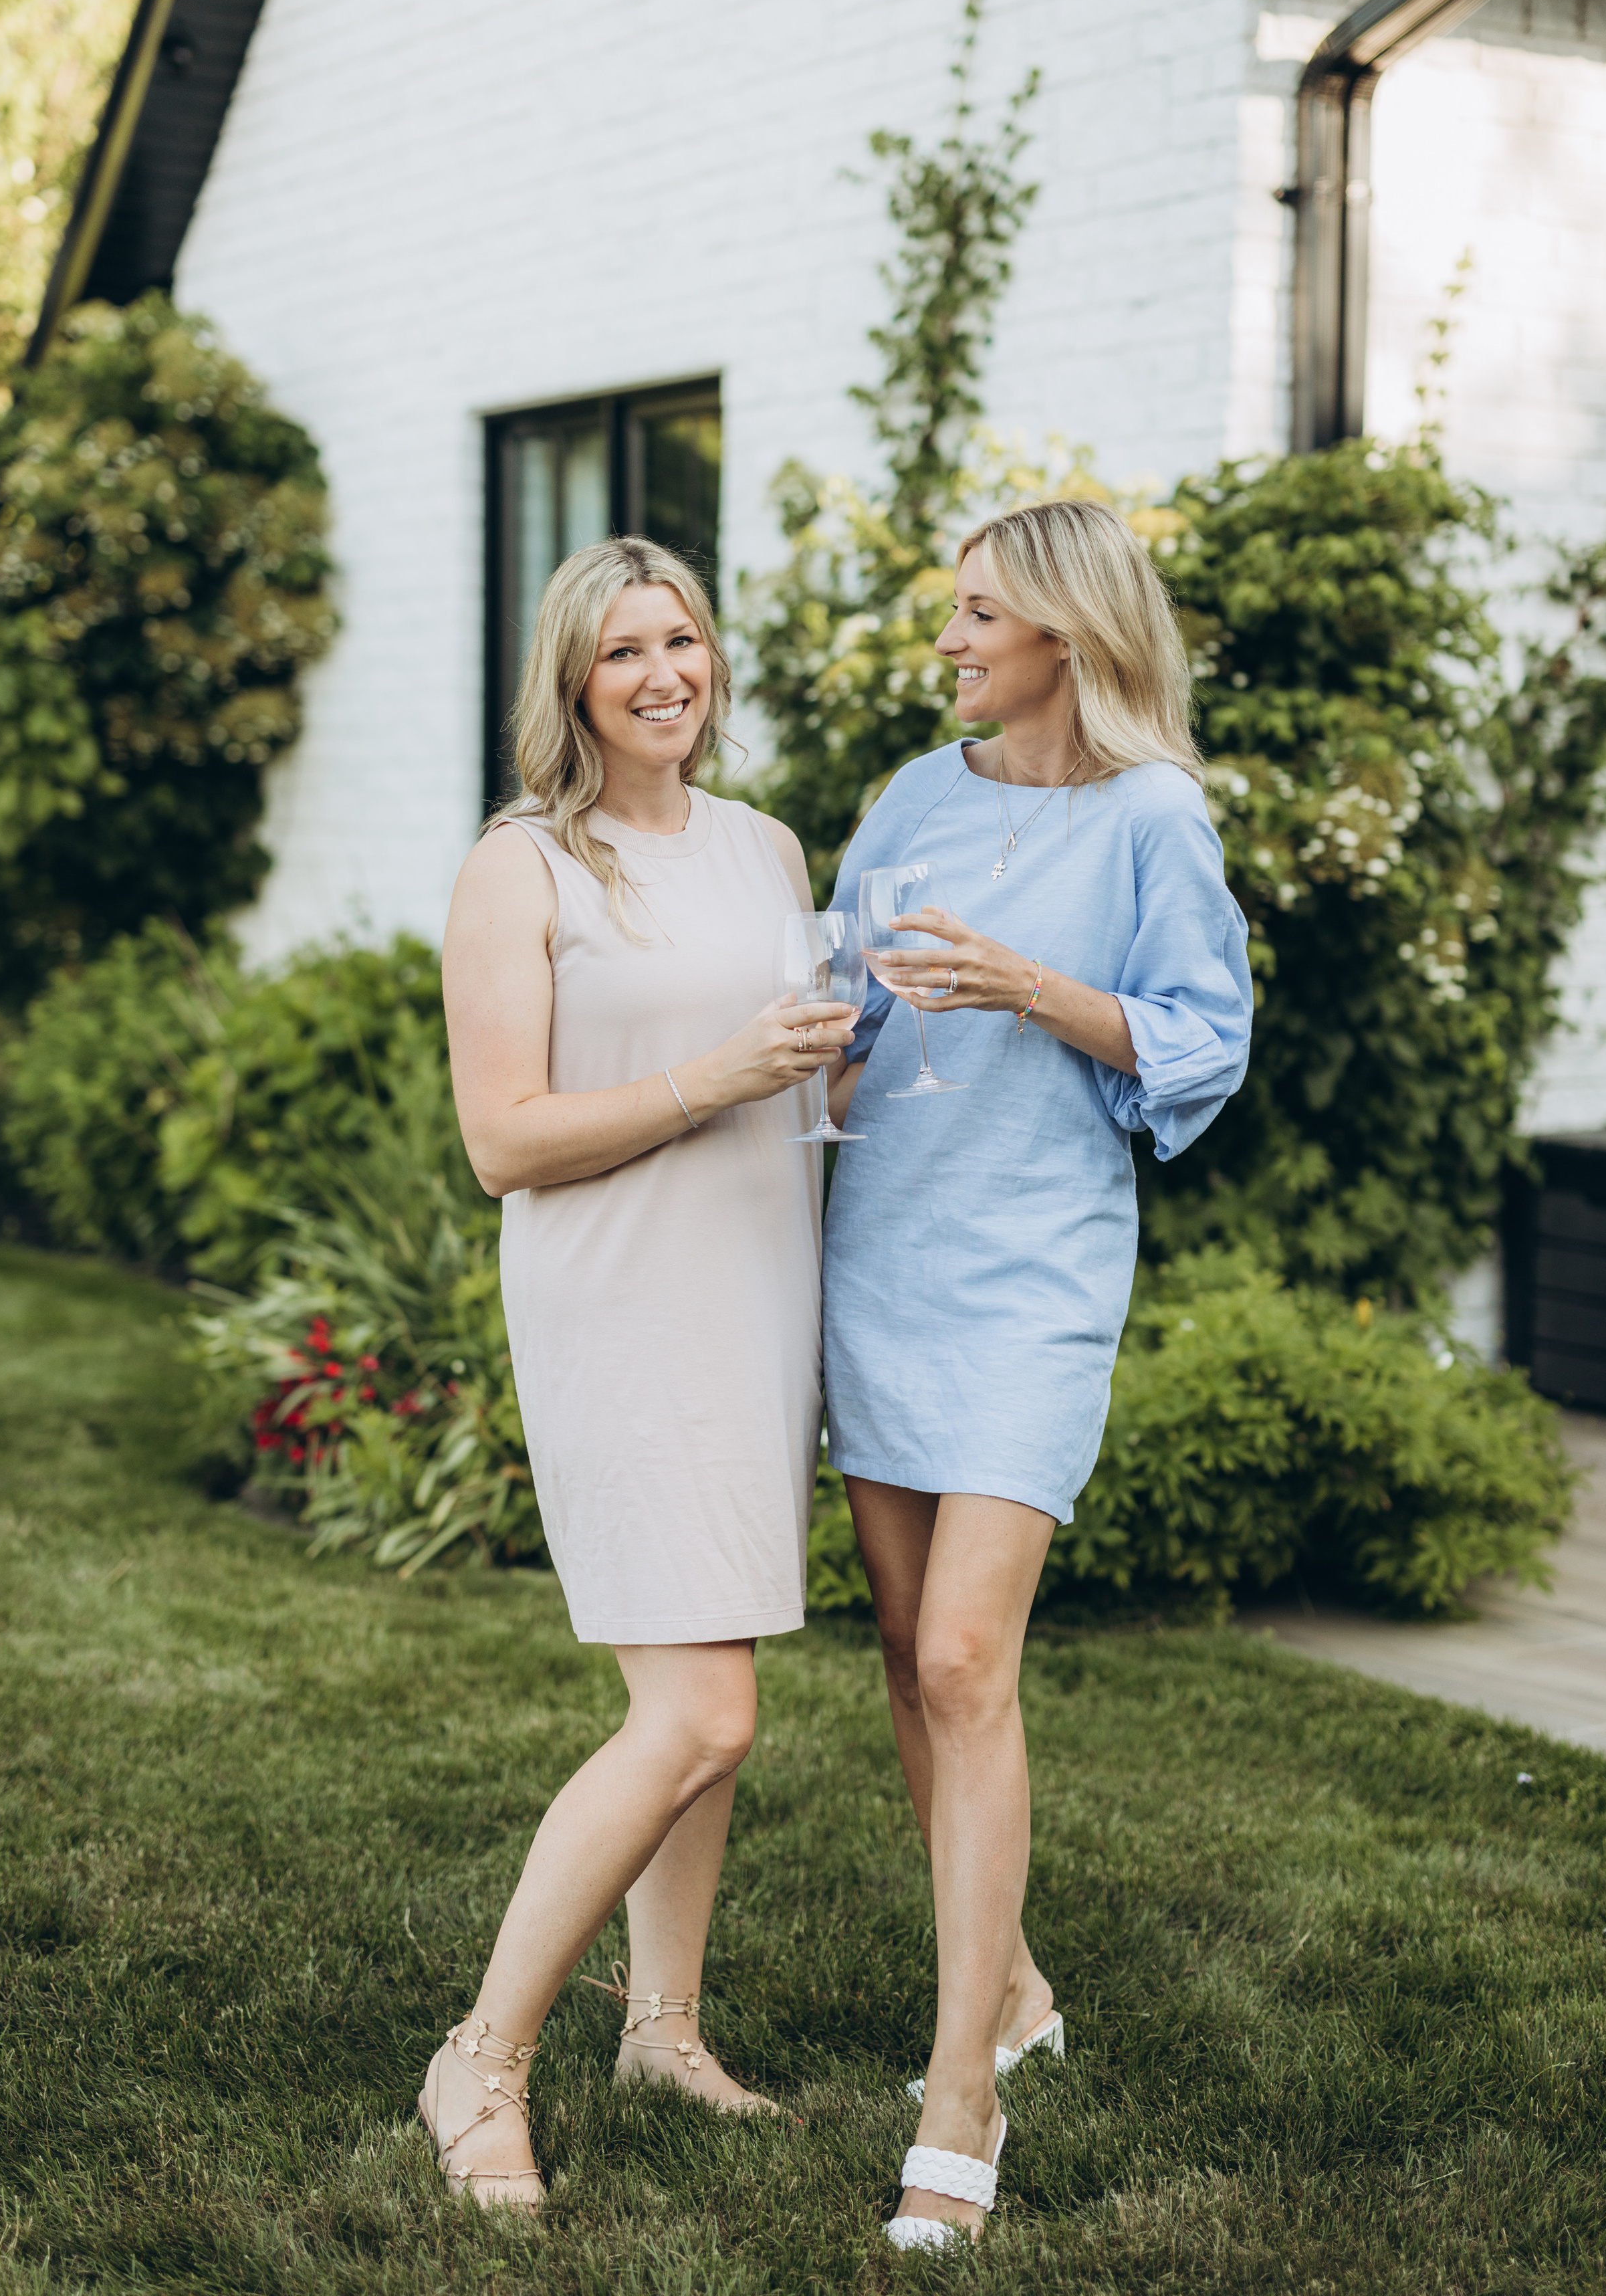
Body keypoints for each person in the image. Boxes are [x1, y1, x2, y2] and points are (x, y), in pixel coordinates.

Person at [822, 498, 1253, 2250]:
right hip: (881, 1248)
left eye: (979, 615)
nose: (950, 642)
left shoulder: (1157, 817)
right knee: (909, 1661)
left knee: (963, 1654)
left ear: (1066, 632)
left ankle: (959, 2098)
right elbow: (844, 983)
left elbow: (1201, 1044)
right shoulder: (916, 798)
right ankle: (1005, 1982)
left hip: (1029, 1272)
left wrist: (1035, 989)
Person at [425, 534, 854, 2207]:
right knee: (698, 1709)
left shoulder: (763, 847)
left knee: (711, 1722)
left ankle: (660, 2034)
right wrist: (712, 1072)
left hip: (756, 1297)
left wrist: (849, 1058)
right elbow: (501, 1141)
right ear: (572, 686)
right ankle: (479, 2063)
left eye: (681, 639)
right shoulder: (523, 867)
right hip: (620, 1311)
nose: (663, 674)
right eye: (624, 655)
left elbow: (792, 1081)